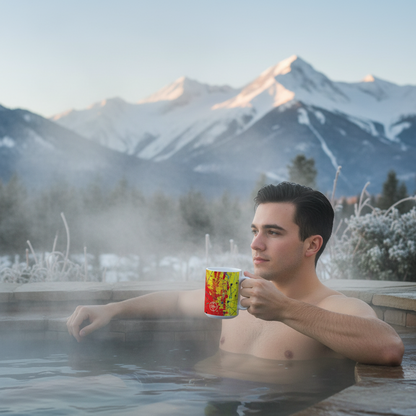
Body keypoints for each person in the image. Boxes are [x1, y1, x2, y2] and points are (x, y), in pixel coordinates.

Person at [67, 182, 404, 365]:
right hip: (205, 399)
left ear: (311, 245)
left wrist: (285, 309)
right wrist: (111, 309)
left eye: (273, 232)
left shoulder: (335, 308)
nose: (256, 244)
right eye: (254, 230)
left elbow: (388, 346)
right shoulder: (238, 293)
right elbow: (176, 301)